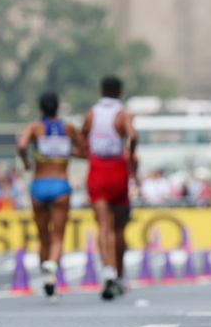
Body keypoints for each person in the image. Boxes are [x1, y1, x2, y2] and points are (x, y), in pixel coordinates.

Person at [16, 92, 84, 298]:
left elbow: (21, 145)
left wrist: (27, 162)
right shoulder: (68, 128)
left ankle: (46, 277)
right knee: (57, 236)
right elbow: (86, 151)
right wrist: (66, 152)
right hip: (60, 185)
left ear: (40, 108)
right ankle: (52, 266)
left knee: (42, 235)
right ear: (58, 107)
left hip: (39, 184)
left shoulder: (35, 128)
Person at [81, 75, 138, 301]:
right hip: (117, 168)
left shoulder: (91, 113)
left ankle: (108, 269)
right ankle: (120, 275)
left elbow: (81, 136)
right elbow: (133, 135)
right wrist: (130, 154)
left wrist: (88, 153)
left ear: (100, 90)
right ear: (120, 92)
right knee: (119, 227)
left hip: (97, 168)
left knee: (103, 226)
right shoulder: (123, 114)